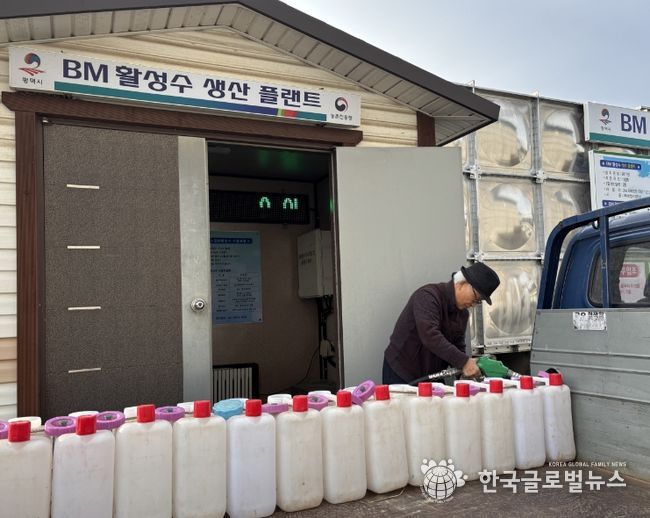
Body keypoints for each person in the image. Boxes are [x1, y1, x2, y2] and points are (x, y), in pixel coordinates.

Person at [383, 262, 500, 384]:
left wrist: (464, 371)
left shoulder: (463, 314)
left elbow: (458, 345)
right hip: (402, 372)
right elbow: (430, 336)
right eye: (476, 297)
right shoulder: (428, 296)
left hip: (432, 377)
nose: (474, 304)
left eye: (479, 301)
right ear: (462, 283)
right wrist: (464, 362)